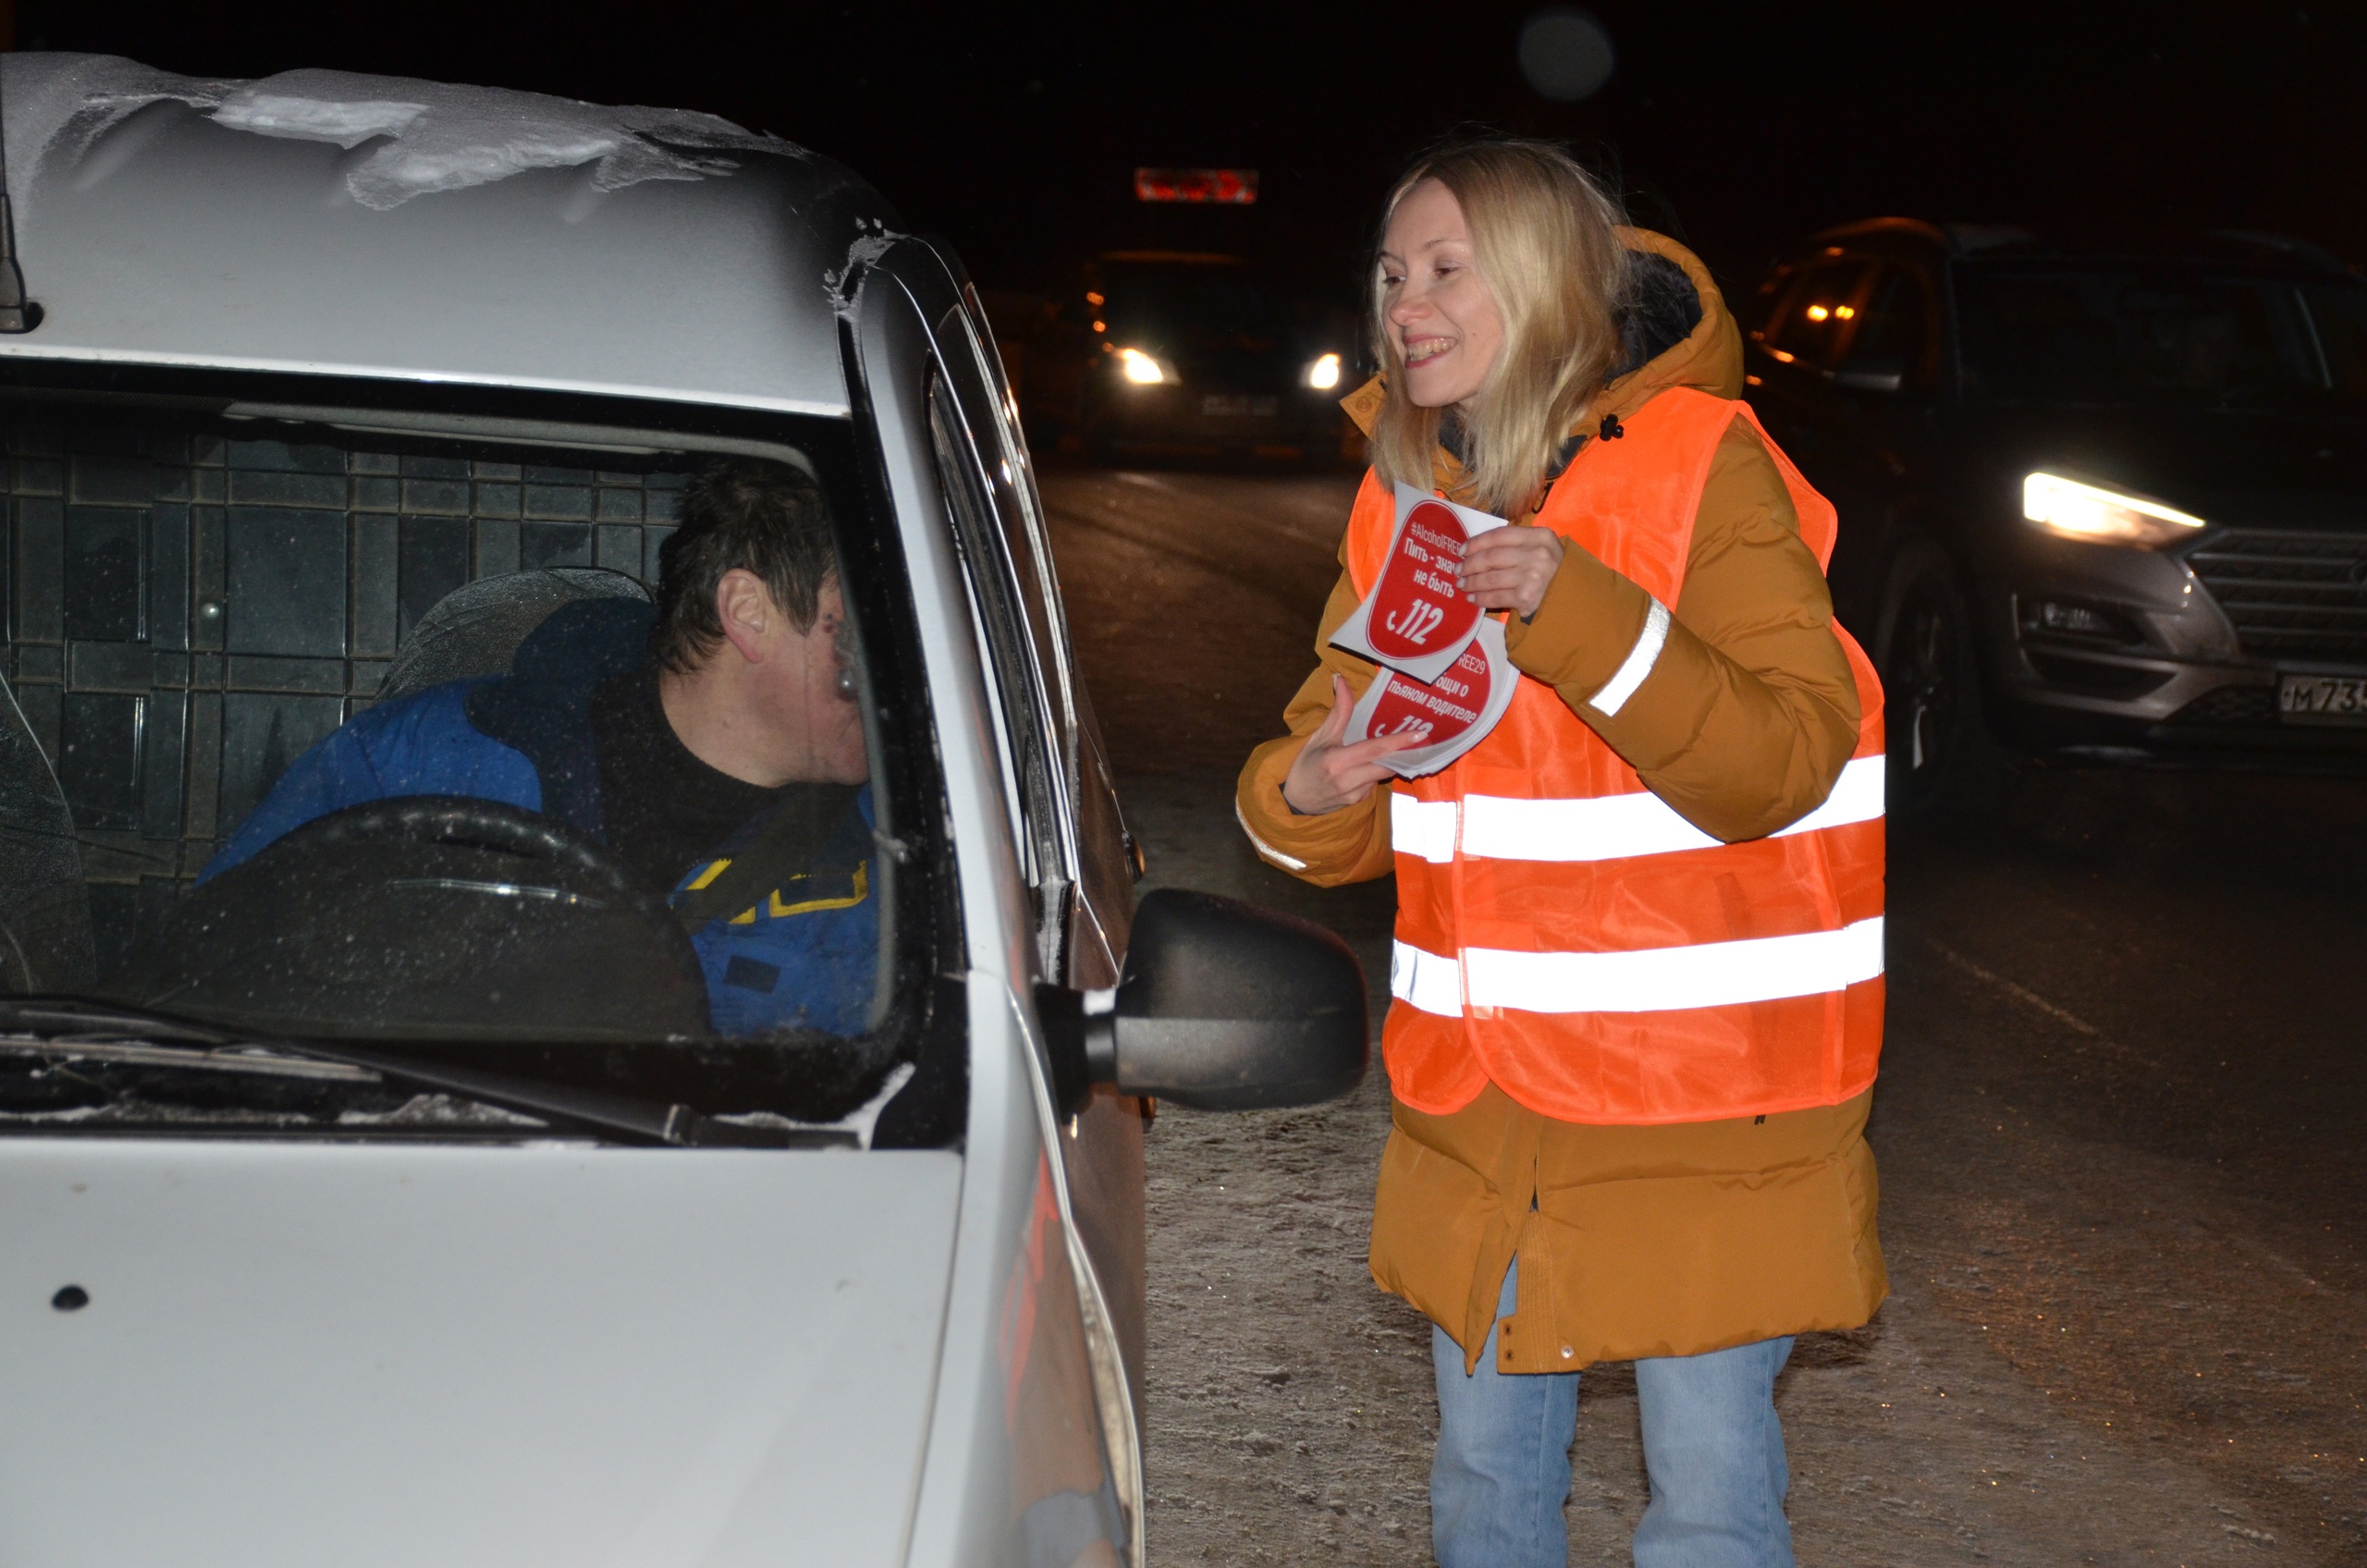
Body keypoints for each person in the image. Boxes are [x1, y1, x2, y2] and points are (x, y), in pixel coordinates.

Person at [1234, 139, 1887, 1568]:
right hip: (1490, 1110)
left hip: (1702, 1113)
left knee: (1709, 1507)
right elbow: (1312, 769)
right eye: (1392, 273)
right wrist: (1321, 785)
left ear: (1540, 279)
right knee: (1482, 1496)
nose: (1405, 303)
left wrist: (1580, 611)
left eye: (1447, 268)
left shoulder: (1703, 466)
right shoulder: (1408, 491)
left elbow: (1790, 753)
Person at [205, 459, 879, 1037]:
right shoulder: (422, 764)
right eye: (858, 632)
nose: (901, 676)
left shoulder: (912, 843)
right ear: (749, 613)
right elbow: (200, 979)